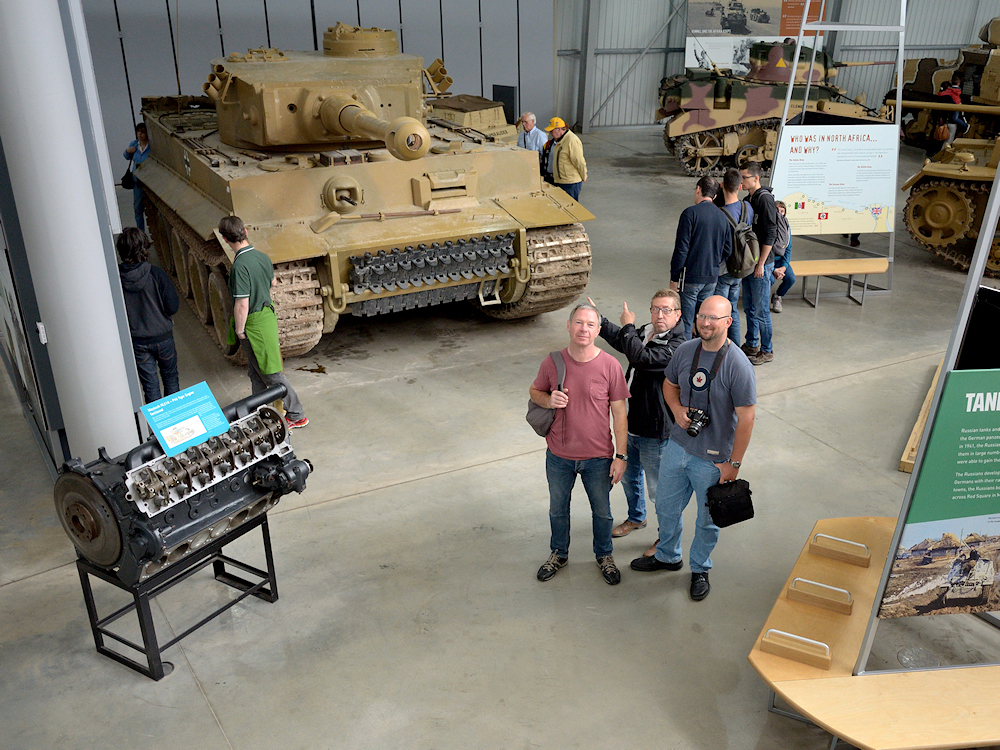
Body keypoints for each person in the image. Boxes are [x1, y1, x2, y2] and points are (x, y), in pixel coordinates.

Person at [630, 296, 756, 601]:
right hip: (678, 445)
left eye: (714, 318)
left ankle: (700, 568)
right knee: (666, 506)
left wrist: (733, 464)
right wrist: (676, 410)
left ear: (728, 322)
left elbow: (747, 418)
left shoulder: (738, 364)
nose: (706, 323)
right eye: (702, 316)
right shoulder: (686, 350)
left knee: (707, 520)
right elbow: (669, 384)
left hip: (713, 459)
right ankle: (668, 555)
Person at [530, 302, 630, 585]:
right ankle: (559, 553)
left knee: (602, 512)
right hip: (559, 455)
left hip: (598, 457)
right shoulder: (553, 362)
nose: (583, 329)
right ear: (568, 326)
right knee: (557, 509)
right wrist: (548, 399)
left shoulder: (610, 365)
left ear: (598, 330)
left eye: (590, 324)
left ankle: (604, 555)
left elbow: (620, 414)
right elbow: (535, 391)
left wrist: (620, 456)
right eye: (578, 322)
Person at [592, 291, 685, 540]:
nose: (659, 315)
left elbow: (641, 358)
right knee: (629, 477)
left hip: (654, 430)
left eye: (666, 310)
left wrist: (628, 327)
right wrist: (600, 321)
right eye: (655, 309)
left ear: (678, 314)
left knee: (660, 490)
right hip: (630, 422)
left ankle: (667, 540)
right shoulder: (647, 331)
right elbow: (624, 341)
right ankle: (636, 517)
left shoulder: (678, 346)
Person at [218, 216, 308, 428]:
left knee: (271, 373)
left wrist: (240, 330)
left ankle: (296, 414)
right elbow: (273, 282)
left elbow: (242, 304)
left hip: (254, 324)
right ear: (245, 232)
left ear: (225, 239)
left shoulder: (240, 266)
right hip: (266, 316)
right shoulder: (261, 256)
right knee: (256, 371)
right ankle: (257, 411)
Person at [117, 227, 180, 403]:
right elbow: (172, 306)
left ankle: (156, 421)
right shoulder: (156, 273)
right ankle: (176, 418)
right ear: (144, 248)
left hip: (138, 342)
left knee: (150, 387)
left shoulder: (116, 279)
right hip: (163, 337)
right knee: (170, 378)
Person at [670, 176, 732, 340]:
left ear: (698, 189)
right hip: (711, 278)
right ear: (715, 196)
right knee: (704, 320)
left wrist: (674, 277)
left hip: (691, 277)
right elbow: (728, 249)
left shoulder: (690, 214)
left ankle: (685, 353)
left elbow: (681, 249)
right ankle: (702, 350)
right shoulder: (722, 216)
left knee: (686, 321)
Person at [739, 163, 777, 365]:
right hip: (750, 262)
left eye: (744, 177)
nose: (741, 181)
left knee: (762, 310)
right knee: (750, 307)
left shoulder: (765, 200)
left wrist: (761, 263)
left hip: (762, 264)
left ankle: (767, 350)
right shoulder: (749, 200)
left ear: (756, 178)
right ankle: (752, 343)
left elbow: (771, 234)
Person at [715, 168, 752, 344]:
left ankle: (721, 347)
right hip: (741, 266)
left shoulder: (719, 214)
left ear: (722, 185)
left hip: (723, 269)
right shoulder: (747, 208)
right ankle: (735, 348)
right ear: (740, 186)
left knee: (720, 312)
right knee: (733, 310)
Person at [544, 117, 587, 201]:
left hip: (570, 183)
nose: (550, 133)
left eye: (552, 131)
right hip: (560, 181)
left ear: (559, 129)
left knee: (570, 205)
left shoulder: (571, 141)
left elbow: (579, 162)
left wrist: (584, 175)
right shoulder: (559, 140)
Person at [123, 122, 151, 231]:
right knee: (138, 208)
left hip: (149, 180)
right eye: (138, 131)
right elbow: (126, 156)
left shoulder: (151, 146)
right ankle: (141, 232)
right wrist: (127, 151)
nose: (140, 134)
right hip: (137, 181)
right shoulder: (134, 144)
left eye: (143, 132)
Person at [770, 201, 796, 313]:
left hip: (781, 262)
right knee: (769, 280)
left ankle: (778, 296)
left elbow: (788, 249)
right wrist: (773, 270)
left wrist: (784, 267)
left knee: (790, 278)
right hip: (768, 262)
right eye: (777, 211)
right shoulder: (769, 226)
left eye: (782, 211)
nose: (780, 213)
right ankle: (762, 301)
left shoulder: (786, 228)